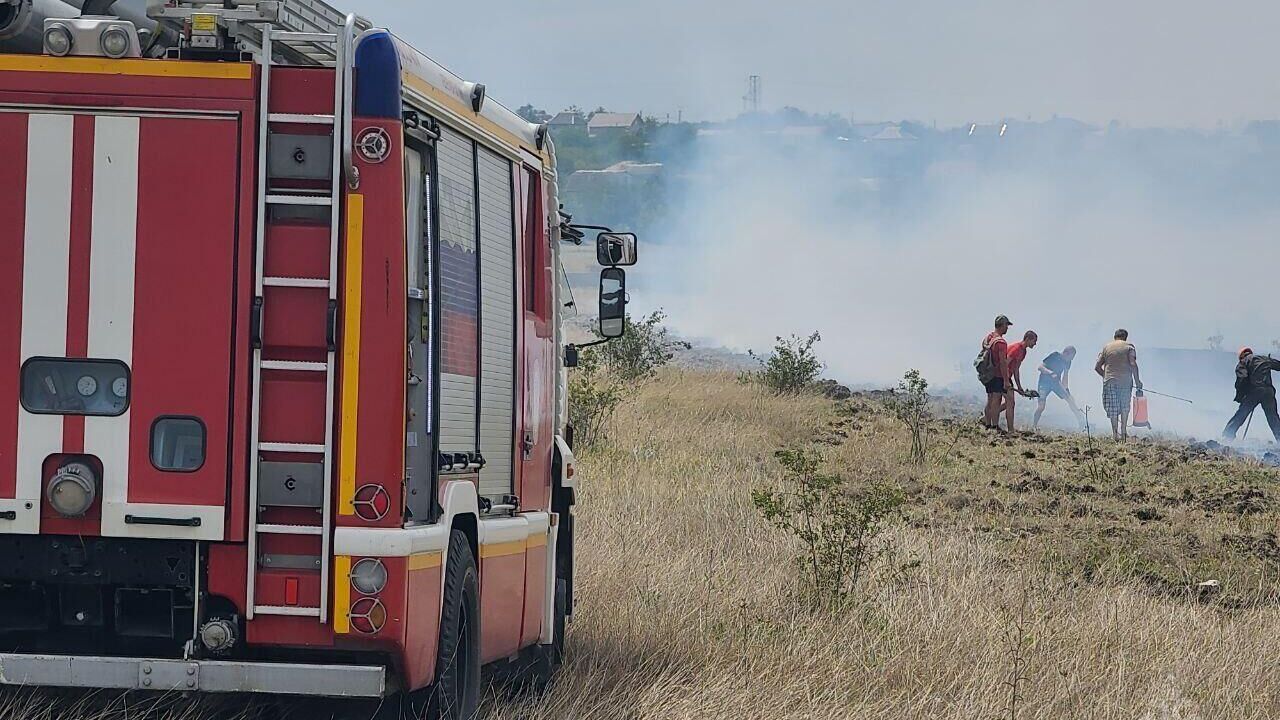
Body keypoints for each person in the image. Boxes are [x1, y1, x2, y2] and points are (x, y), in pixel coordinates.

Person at [1223, 347, 1280, 443]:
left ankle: (1227, 435)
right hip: (1268, 391)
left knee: (1241, 414)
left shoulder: (1243, 362)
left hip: (1254, 392)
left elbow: (1242, 379)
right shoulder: (1264, 359)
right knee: (1273, 417)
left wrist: (1240, 396)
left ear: (1241, 356)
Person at [1094, 329, 1142, 441]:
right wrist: (1138, 381)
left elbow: (1097, 367)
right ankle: (1124, 432)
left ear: (1115, 337)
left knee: (1113, 408)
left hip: (1110, 382)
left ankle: (1115, 434)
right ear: (1125, 337)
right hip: (1125, 382)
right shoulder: (1129, 347)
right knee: (1124, 406)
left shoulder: (1106, 347)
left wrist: (1106, 377)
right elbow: (1133, 364)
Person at [1032, 345, 1084, 430]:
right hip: (1044, 383)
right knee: (1041, 407)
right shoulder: (1055, 355)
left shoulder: (1068, 362)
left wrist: (1066, 389)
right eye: (1071, 356)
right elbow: (1040, 367)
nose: (1072, 359)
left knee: (1070, 400)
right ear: (1066, 353)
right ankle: (1034, 426)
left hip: (1056, 384)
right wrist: (1050, 373)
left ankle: (1082, 422)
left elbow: (1065, 376)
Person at [1002, 330, 1039, 432]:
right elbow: (1005, 363)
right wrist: (1005, 380)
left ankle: (986, 417)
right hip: (1001, 375)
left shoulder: (1023, 352)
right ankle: (1010, 430)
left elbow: (1016, 369)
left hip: (1008, 376)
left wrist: (1019, 387)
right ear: (1027, 339)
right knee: (1010, 403)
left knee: (1008, 403)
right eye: (1034, 341)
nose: (1035, 344)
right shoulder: (1016, 348)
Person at [980, 315, 1012, 430]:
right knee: (996, 400)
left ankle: (988, 424)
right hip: (997, 374)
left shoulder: (988, 338)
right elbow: (1003, 362)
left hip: (987, 373)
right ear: (1002, 325)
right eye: (1006, 325)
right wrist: (1006, 380)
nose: (1007, 328)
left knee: (989, 399)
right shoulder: (1001, 342)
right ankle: (994, 426)